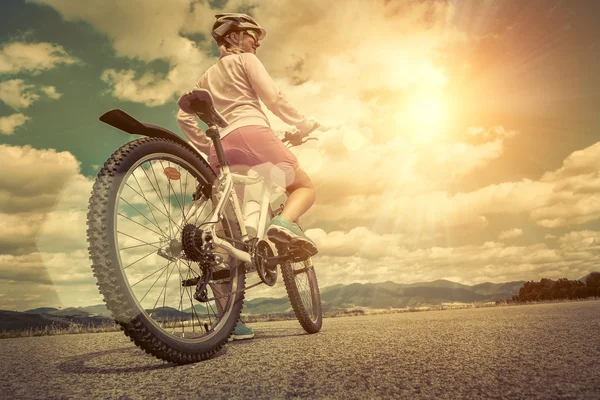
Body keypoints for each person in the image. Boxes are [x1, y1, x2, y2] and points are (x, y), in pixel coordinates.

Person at [177, 13, 321, 340]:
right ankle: (283, 224)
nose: (257, 40)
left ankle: (231, 321)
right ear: (234, 37)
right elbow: (272, 98)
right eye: (253, 34)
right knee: (303, 186)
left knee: (226, 236)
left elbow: (182, 116)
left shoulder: (206, 77)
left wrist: (207, 143)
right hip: (253, 134)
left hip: (221, 151)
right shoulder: (245, 60)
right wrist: (303, 125)